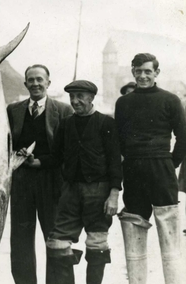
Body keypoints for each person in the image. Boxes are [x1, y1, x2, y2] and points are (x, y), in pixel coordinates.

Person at [34, 80, 121, 284]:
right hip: (70, 192)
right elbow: (55, 158)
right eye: (72, 97)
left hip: (99, 191)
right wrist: (34, 161)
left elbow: (115, 162)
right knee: (56, 243)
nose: (75, 101)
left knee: (97, 243)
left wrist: (114, 195)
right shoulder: (65, 124)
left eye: (80, 96)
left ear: (92, 98)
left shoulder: (106, 123)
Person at [115, 53, 186, 284]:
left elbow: (183, 136)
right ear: (132, 71)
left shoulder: (170, 100)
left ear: (157, 72)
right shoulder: (123, 102)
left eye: (148, 71)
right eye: (138, 71)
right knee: (134, 225)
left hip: (161, 168)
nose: (143, 75)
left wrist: (170, 163)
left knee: (169, 230)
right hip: (134, 171)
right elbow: (119, 139)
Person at [6, 64, 73, 284]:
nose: (35, 83)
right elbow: (5, 145)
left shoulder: (63, 110)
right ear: (25, 84)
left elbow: (69, 152)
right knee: (21, 239)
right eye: (31, 80)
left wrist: (41, 161)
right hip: (21, 182)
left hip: (52, 182)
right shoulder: (13, 110)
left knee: (55, 238)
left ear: (48, 83)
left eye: (39, 79)